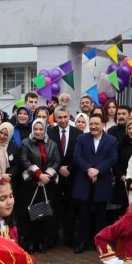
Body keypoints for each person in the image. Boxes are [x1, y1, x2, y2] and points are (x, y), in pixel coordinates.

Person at [72, 113, 118, 253]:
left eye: (96, 124)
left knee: (100, 216)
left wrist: (98, 171)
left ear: (103, 125)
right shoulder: (82, 138)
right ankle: (82, 243)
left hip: (102, 182)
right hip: (84, 182)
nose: (93, 126)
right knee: (83, 215)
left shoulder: (111, 140)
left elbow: (112, 158)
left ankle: (100, 244)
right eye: (91, 124)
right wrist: (89, 170)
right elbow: (77, 157)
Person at [17, 119, 60, 253]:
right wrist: (38, 175)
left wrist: (46, 176)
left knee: (44, 213)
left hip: (47, 184)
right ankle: (30, 242)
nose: (38, 132)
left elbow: (57, 161)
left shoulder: (52, 144)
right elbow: (24, 160)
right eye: (35, 129)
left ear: (45, 130)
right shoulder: (25, 143)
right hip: (31, 183)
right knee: (30, 214)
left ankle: (42, 242)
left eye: (41, 129)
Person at [48, 106, 81, 248]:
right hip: (54, 177)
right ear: (55, 118)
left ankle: (69, 238)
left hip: (72, 177)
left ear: (69, 116)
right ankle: (53, 238)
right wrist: (59, 167)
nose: (62, 120)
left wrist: (69, 168)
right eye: (59, 117)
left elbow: (79, 154)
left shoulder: (78, 133)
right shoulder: (49, 133)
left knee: (70, 210)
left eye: (65, 117)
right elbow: (47, 154)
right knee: (54, 208)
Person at [114, 119, 132, 211]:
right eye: (129, 128)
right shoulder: (121, 143)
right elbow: (115, 162)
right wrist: (121, 176)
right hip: (123, 183)